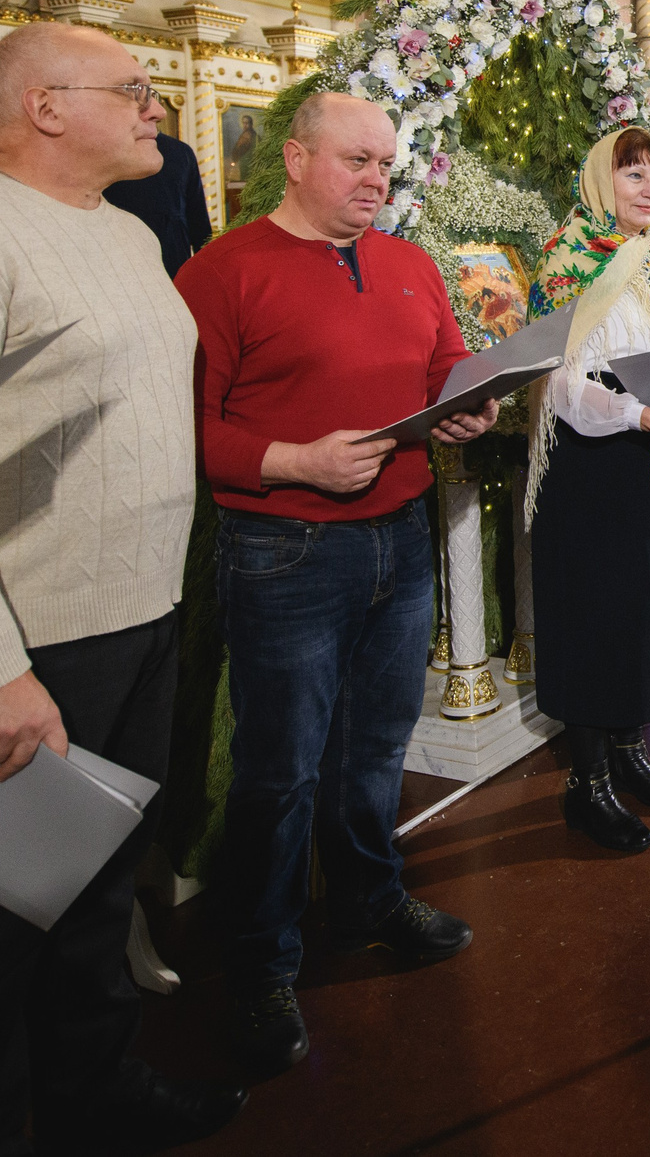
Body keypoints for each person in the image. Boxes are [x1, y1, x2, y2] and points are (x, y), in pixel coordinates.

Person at [0, 21, 243, 1151]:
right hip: (27, 646)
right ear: (44, 106)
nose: (153, 106)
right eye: (131, 89)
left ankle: (90, 1098)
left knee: (96, 901)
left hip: (137, 619)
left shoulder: (124, 234)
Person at [177, 91, 497, 1071]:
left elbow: (443, 362)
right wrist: (292, 460)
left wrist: (464, 407)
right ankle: (262, 963)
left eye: (386, 166)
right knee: (279, 773)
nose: (376, 181)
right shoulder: (221, 271)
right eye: (357, 161)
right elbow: (191, 430)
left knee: (373, 749)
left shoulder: (405, 262)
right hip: (287, 551)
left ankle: (367, 896)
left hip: (400, 541)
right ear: (297, 158)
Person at [525, 128, 650, 855]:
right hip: (590, 463)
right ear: (602, 178)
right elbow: (561, 381)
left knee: (644, 612)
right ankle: (587, 781)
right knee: (595, 619)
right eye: (632, 172)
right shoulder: (569, 255)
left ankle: (631, 750)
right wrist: (639, 414)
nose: (649, 187)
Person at [103, 129, 213, 278]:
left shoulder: (181, 152)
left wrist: (206, 270)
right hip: (120, 256)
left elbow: (197, 217)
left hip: (173, 257)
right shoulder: (110, 150)